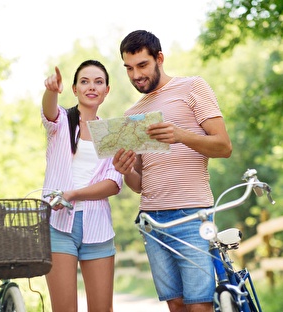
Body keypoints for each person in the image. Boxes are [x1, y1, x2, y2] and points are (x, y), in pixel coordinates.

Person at [113, 30, 232, 312]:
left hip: (192, 213)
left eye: (142, 65)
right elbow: (139, 184)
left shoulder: (193, 87)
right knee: (176, 305)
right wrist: (125, 170)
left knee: (200, 304)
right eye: (129, 68)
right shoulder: (133, 114)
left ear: (159, 59)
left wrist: (180, 135)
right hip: (151, 220)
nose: (136, 75)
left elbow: (223, 146)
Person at [41, 60, 123, 312]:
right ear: (75, 89)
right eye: (84, 81)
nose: (91, 87)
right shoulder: (63, 122)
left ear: (107, 90)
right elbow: (48, 111)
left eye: (98, 82)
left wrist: (74, 194)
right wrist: (51, 91)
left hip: (97, 228)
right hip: (58, 226)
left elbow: (112, 184)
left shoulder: (111, 132)